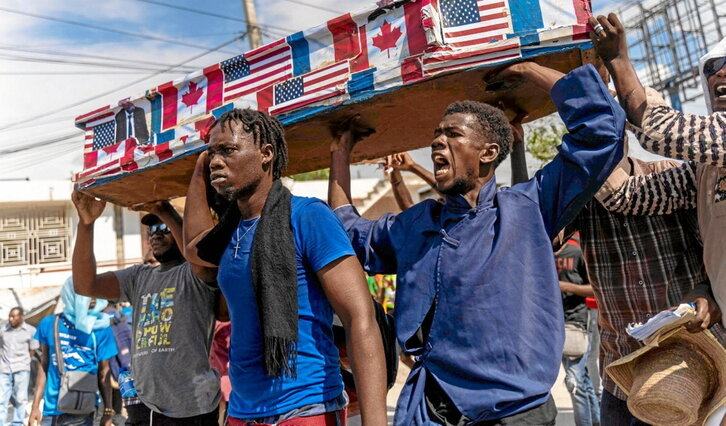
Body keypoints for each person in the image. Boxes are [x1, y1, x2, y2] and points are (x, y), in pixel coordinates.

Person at [328, 61, 626, 425]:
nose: (437, 141)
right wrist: (340, 153)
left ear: (487, 153)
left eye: (453, 134)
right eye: (437, 134)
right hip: (432, 408)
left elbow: (602, 130)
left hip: (516, 411)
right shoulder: (416, 223)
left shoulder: (528, 208)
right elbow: (349, 231)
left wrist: (530, 69)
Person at [183, 108, 387, 425]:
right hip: (242, 411)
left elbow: (359, 318)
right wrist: (199, 168)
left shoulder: (308, 216)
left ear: (266, 154)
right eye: (212, 153)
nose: (216, 161)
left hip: (305, 408)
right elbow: (194, 243)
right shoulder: (228, 234)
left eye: (228, 150)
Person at [589, 13, 726, 329]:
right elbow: (629, 196)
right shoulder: (703, 171)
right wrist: (593, 121)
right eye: (712, 67)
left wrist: (618, 60)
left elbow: (658, 130)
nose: (721, 73)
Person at [70, 194, 222, 425]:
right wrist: (86, 224)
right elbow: (84, 284)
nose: (156, 234)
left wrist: (165, 209)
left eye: (163, 227)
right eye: (151, 230)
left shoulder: (195, 274)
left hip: (190, 406)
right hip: (143, 405)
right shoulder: (138, 276)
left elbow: (200, 258)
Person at [29, 279, 117, 426]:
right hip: (51, 410)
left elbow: (104, 373)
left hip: (82, 409)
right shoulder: (49, 324)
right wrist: (35, 407)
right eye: (85, 294)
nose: (93, 298)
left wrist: (107, 412)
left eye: (94, 293)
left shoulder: (101, 328)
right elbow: (44, 365)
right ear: (70, 295)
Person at [554, 235, 600, 426]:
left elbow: (596, 288)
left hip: (578, 322)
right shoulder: (542, 253)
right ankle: (598, 421)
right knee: (582, 381)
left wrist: (567, 287)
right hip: (554, 324)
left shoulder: (577, 251)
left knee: (574, 382)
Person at [0, 307, 38, 426]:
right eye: (9, 316)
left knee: (20, 399)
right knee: (1, 399)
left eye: (14, 316)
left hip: (21, 369)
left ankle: (17, 422)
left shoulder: (31, 331)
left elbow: (33, 349)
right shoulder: (3, 330)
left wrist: (25, 361)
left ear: (21, 316)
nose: (10, 319)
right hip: (4, 369)